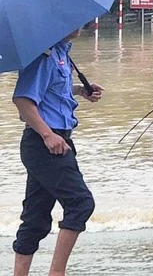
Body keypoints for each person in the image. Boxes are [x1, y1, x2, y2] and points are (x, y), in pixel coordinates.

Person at [12, 28, 103, 276]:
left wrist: (79, 90)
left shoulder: (61, 53)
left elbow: (49, 89)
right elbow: (22, 100)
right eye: (77, 20)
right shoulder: (44, 55)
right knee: (81, 203)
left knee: (35, 218)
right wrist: (47, 135)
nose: (81, 25)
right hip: (45, 143)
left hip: (55, 140)